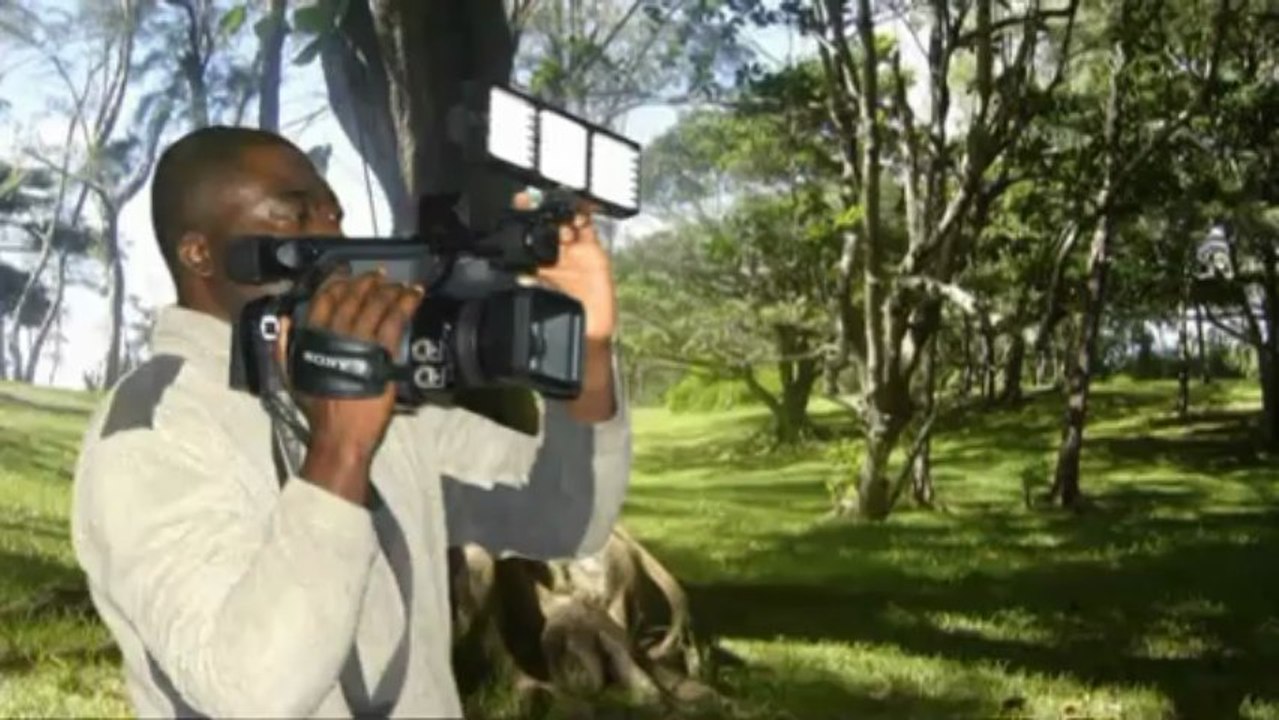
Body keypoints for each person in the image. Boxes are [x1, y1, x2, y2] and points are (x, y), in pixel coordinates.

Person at [69, 125, 631, 718]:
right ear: (200, 253)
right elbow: (249, 691)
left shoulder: (376, 387)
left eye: (332, 213)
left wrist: (587, 350)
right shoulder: (149, 430)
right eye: (293, 215)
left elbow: (562, 519)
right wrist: (341, 449)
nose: (329, 234)